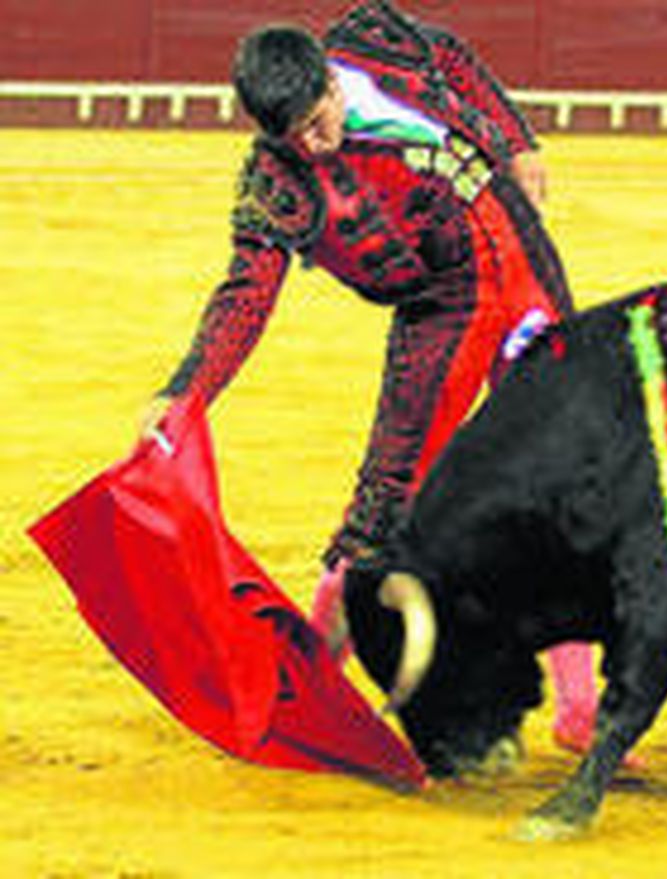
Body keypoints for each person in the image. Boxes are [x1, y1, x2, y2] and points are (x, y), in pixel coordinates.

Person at [137, 0, 619, 764]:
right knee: (387, 499)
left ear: (330, 78)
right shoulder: (275, 181)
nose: (313, 141)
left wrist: (518, 140)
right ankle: (305, 686)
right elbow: (247, 294)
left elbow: (455, 58)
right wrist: (188, 389)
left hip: (524, 260)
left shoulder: (373, 40)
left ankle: (583, 712)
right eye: (290, 133)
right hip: (445, 305)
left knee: (572, 477)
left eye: (317, 117)